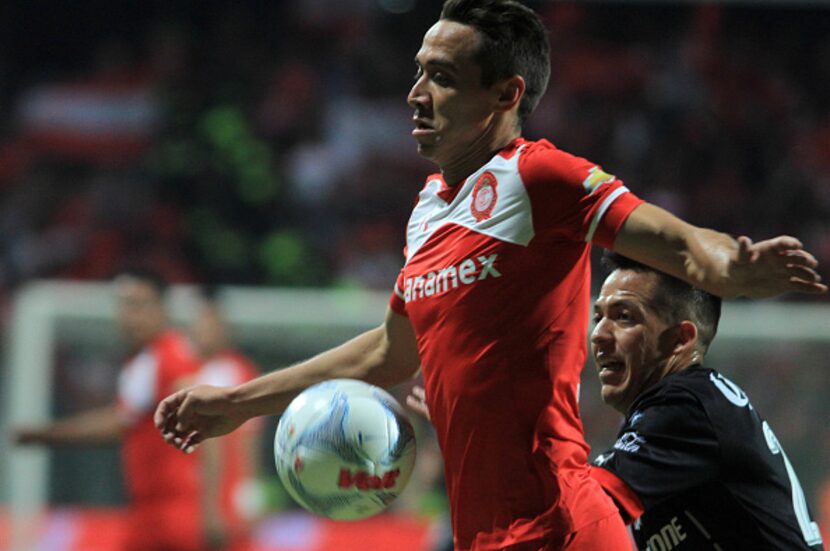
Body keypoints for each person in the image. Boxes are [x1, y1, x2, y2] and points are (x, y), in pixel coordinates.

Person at [155, 1, 827, 550]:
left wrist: (735, 265)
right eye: (419, 72)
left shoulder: (540, 175)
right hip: (484, 534)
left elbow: (678, 244)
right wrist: (235, 403)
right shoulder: (426, 210)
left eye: (443, 77)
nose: (416, 93)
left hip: (562, 522)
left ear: (506, 94)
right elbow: (391, 350)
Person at [589, 253, 825, 550]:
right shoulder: (686, 408)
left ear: (681, 339)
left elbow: (583, 512)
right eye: (598, 317)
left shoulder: (684, 405)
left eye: (623, 317)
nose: (598, 334)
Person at [14, 269, 208, 551]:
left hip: (173, 512)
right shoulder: (152, 359)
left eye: (138, 305)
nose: (128, 317)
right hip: (153, 509)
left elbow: (119, 423)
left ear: (161, 309)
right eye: (124, 306)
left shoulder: (169, 356)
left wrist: (45, 434)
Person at [189, 290, 263, 551]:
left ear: (224, 331)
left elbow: (249, 440)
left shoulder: (237, 371)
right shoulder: (182, 368)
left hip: (225, 490)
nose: (203, 332)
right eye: (199, 325)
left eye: (210, 326)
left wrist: (249, 496)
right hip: (186, 490)